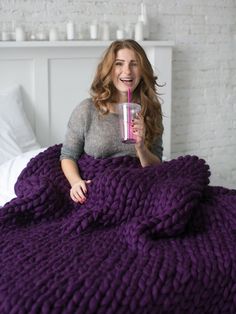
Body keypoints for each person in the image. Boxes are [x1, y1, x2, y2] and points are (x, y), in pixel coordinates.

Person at [60, 39, 163, 204]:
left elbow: (157, 166)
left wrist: (141, 147)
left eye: (134, 64)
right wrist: (76, 182)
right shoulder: (87, 110)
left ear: (142, 71)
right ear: (109, 69)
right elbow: (68, 155)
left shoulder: (150, 112)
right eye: (119, 64)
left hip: (139, 190)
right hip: (97, 190)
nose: (127, 71)